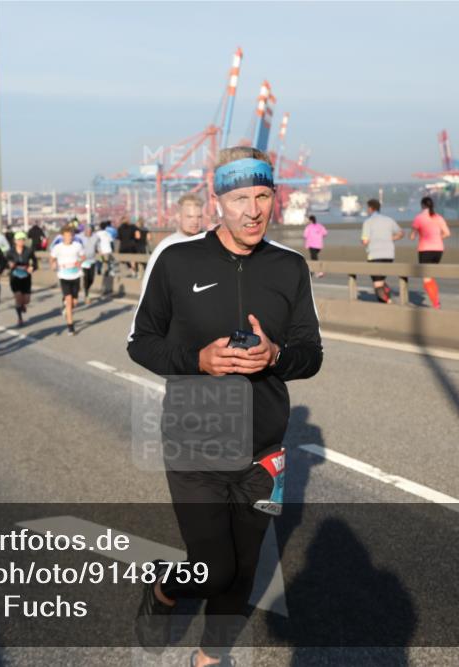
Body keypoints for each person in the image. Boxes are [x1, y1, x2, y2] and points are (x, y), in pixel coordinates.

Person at [127, 146, 323, 666]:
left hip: (264, 447)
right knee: (212, 568)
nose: (253, 210)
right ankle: (165, 590)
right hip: (196, 437)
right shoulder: (177, 260)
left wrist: (277, 354)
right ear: (217, 201)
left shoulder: (289, 267)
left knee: (244, 568)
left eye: (263, 196)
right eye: (240, 198)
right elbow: (140, 341)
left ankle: (208, 658)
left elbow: (312, 354)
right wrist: (198, 359)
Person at [410, 196, 450, 309]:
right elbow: (447, 233)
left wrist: (413, 234)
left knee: (426, 277)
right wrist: (437, 238)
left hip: (425, 250)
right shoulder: (439, 217)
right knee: (431, 276)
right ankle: (436, 301)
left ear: (422, 205)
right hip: (439, 250)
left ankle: (436, 303)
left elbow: (412, 237)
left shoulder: (419, 218)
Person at [361, 199, 404, 303]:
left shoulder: (368, 222)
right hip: (389, 255)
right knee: (381, 279)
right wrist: (390, 239)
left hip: (375, 255)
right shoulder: (389, 220)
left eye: (367, 208)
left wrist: (364, 241)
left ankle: (387, 302)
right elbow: (401, 233)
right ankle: (386, 292)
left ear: (370, 208)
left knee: (377, 283)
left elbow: (365, 241)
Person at [50, 224, 85, 335]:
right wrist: (53, 264)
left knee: (74, 302)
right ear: (62, 236)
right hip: (64, 276)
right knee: (69, 302)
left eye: (70, 236)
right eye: (66, 236)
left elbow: (83, 256)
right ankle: (70, 327)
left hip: (76, 276)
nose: (69, 238)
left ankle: (66, 308)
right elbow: (52, 258)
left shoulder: (77, 245)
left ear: (73, 236)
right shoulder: (58, 247)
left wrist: (79, 262)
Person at [6, 231, 38, 326]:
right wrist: (9, 265)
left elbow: (35, 263)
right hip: (15, 277)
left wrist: (32, 268)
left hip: (26, 277)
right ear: (15, 241)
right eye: (19, 240)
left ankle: (23, 305)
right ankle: (19, 318)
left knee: (27, 300)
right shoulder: (10, 252)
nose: (21, 241)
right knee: (18, 297)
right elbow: (5, 263)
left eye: (23, 239)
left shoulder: (29, 251)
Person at [77, 224, 99, 304]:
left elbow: (97, 246)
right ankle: (87, 294)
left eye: (90, 231)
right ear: (85, 231)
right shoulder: (79, 237)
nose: (89, 232)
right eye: (87, 231)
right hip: (83, 261)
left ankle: (87, 288)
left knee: (91, 278)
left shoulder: (95, 237)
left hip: (92, 260)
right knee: (86, 277)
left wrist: (100, 251)